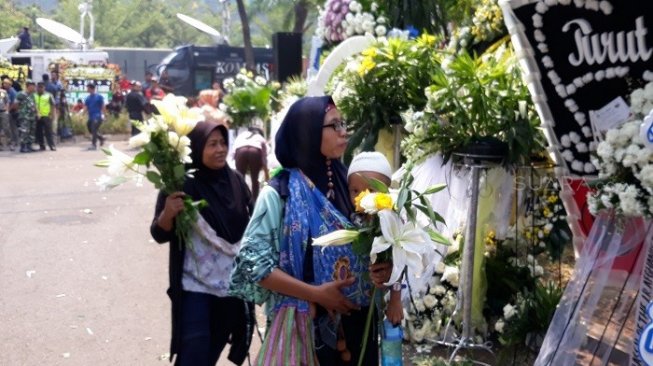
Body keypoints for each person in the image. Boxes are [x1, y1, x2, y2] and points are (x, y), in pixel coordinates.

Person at [230, 96, 385, 365]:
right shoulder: (278, 193)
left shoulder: (352, 183)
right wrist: (316, 294)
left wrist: (383, 268)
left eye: (343, 123)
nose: (344, 131)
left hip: (358, 325)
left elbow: (375, 243)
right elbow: (254, 266)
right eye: (333, 125)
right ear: (308, 132)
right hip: (307, 327)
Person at [150, 121, 254, 366]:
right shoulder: (180, 184)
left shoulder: (236, 181)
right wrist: (168, 214)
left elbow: (252, 224)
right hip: (194, 287)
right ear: (196, 148)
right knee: (193, 353)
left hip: (230, 288)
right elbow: (159, 233)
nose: (220, 149)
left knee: (211, 352)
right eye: (212, 144)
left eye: (223, 143)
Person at [347, 151, 403, 325]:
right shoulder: (351, 220)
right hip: (351, 300)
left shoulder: (392, 222)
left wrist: (395, 299)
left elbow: (400, 263)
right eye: (355, 190)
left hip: (376, 299)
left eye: (371, 190)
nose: (362, 197)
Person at [233, 127, 269, 200]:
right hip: (255, 151)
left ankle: (240, 199)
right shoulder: (260, 137)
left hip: (241, 151)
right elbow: (264, 156)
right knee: (255, 179)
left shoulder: (241, 135)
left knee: (240, 178)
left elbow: (233, 153)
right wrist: (266, 174)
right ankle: (254, 202)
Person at [16, 80, 37, 153]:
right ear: (28, 86)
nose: (34, 88)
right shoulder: (21, 94)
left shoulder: (32, 95)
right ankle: (23, 146)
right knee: (24, 131)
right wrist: (20, 112)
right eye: (32, 86)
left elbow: (34, 105)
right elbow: (16, 104)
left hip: (32, 116)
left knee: (31, 131)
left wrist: (37, 113)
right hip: (24, 116)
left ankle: (29, 145)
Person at [34, 82, 56, 151]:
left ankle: (52, 145)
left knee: (49, 132)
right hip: (37, 116)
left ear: (44, 88)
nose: (40, 89)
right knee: (39, 132)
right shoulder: (34, 95)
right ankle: (42, 145)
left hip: (46, 116)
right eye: (38, 87)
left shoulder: (48, 95)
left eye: (41, 87)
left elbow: (52, 105)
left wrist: (52, 114)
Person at [83, 83, 106, 150]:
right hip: (91, 116)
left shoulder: (99, 97)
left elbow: (103, 106)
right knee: (90, 129)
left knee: (94, 129)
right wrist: (82, 114)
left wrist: (104, 115)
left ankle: (94, 145)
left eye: (88, 88)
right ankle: (101, 138)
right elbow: (86, 107)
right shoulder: (88, 98)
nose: (87, 89)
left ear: (92, 88)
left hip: (97, 116)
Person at [2, 78, 19, 150]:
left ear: (9, 84)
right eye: (3, 83)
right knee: (10, 127)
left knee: (13, 127)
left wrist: (8, 110)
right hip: (8, 111)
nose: (4, 85)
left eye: (6, 83)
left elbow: (14, 103)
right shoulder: (5, 92)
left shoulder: (12, 92)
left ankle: (15, 141)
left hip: (13, 111)